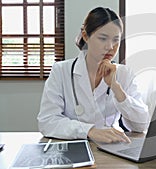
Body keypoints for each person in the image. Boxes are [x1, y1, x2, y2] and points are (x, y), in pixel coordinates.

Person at [37, 7, 149, 143]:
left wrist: (116, 88)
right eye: (103, 38)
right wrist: (89, 131)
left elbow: (140, 125)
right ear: (86, 36)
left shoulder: (125, 74)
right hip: (73, 146)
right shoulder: (61, 71)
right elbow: (47, 121)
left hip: (112, 148)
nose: (110, 46)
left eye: (116, 40)